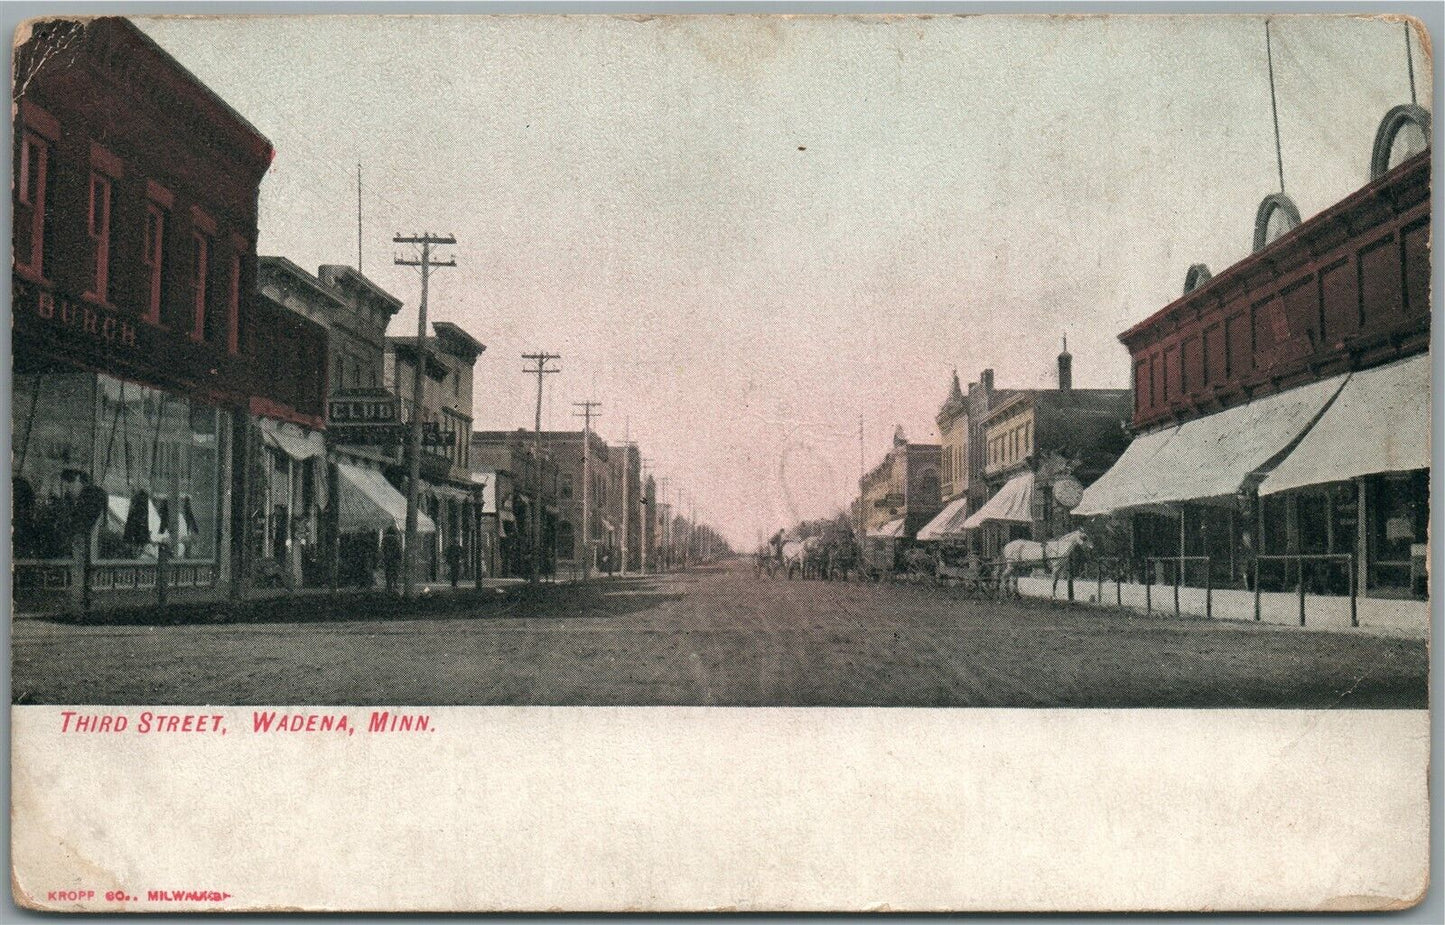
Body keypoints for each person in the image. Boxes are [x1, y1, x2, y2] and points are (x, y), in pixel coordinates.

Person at [381, 526, 402, 593]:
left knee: (388, 572)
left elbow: (382, 548)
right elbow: (398, 549)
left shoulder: (384, 539)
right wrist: (400, 558)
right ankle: (395, 583)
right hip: (395, 558)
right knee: (395, 571)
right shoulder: (396, 539)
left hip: (387, 558)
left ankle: (388, 585)